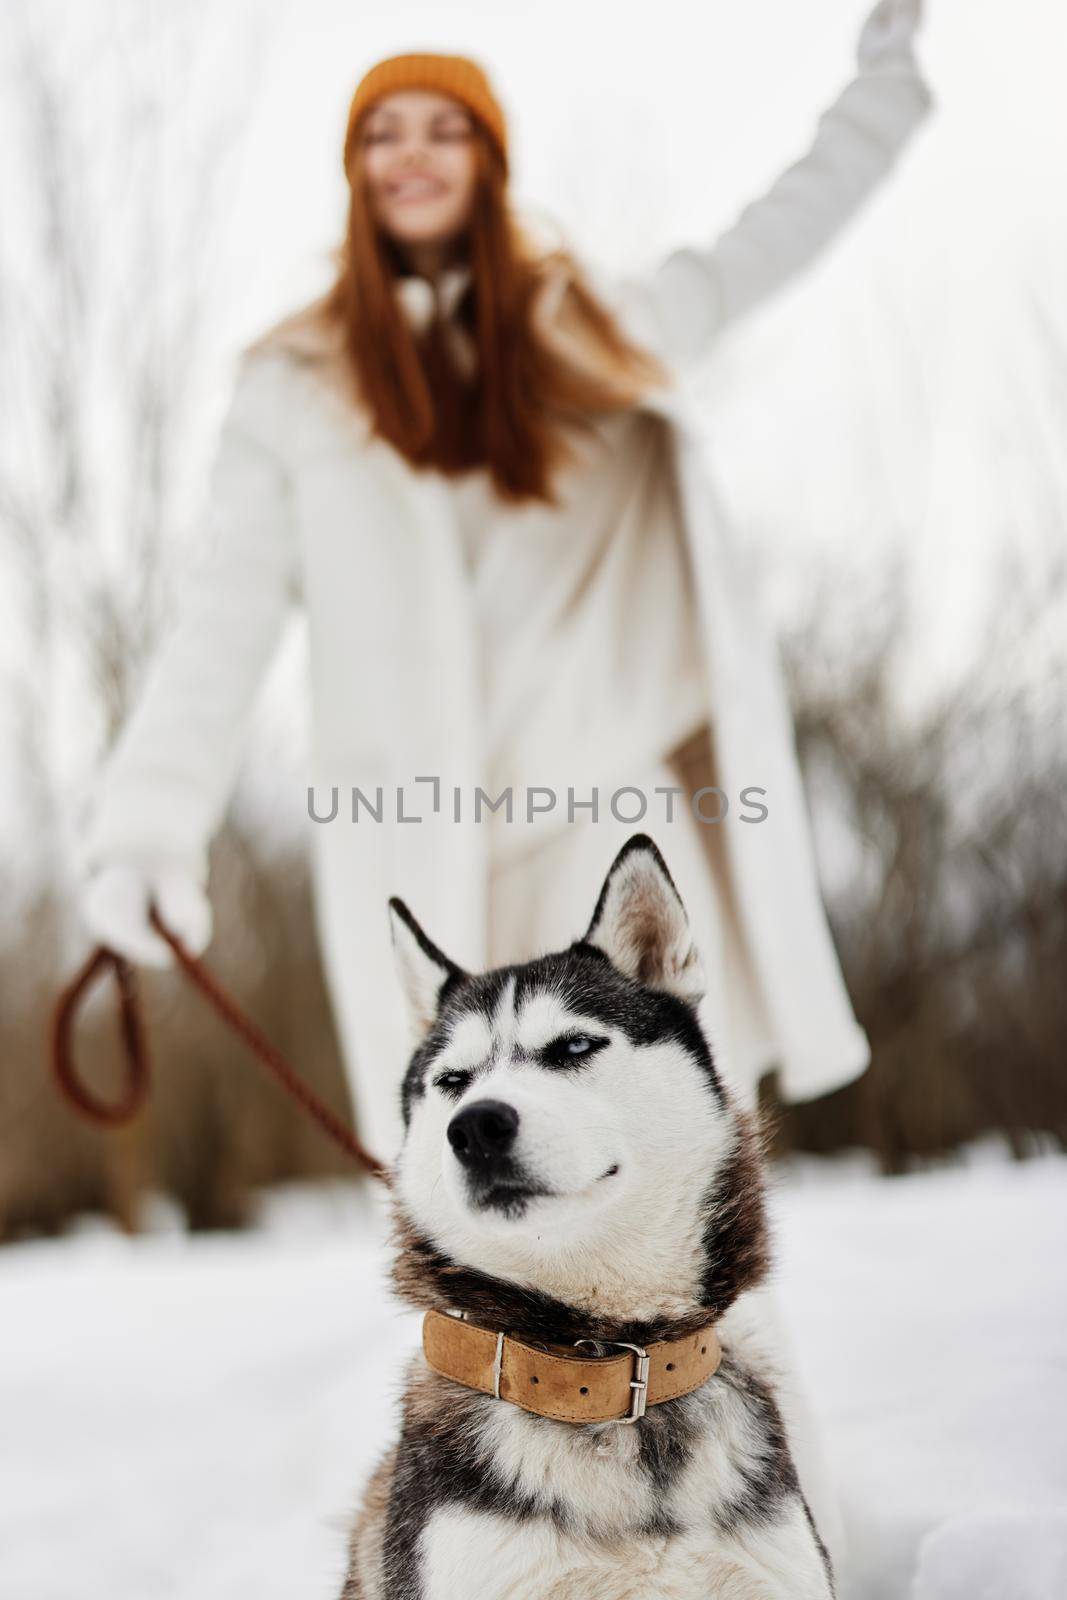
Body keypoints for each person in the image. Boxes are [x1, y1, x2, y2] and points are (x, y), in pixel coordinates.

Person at [79, 7, 930, 1169]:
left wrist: (883, 79)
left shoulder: (594, 330)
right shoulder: (292, 387)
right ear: (355, 170)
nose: (413, 153)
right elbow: (220, 618)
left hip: (610, 820)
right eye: (383, 133)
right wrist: (148, 826)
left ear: (486, 163)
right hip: (421, 845)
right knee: (466, 1189)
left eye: (444, 130)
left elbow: (775, 232)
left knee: (664, 1177)